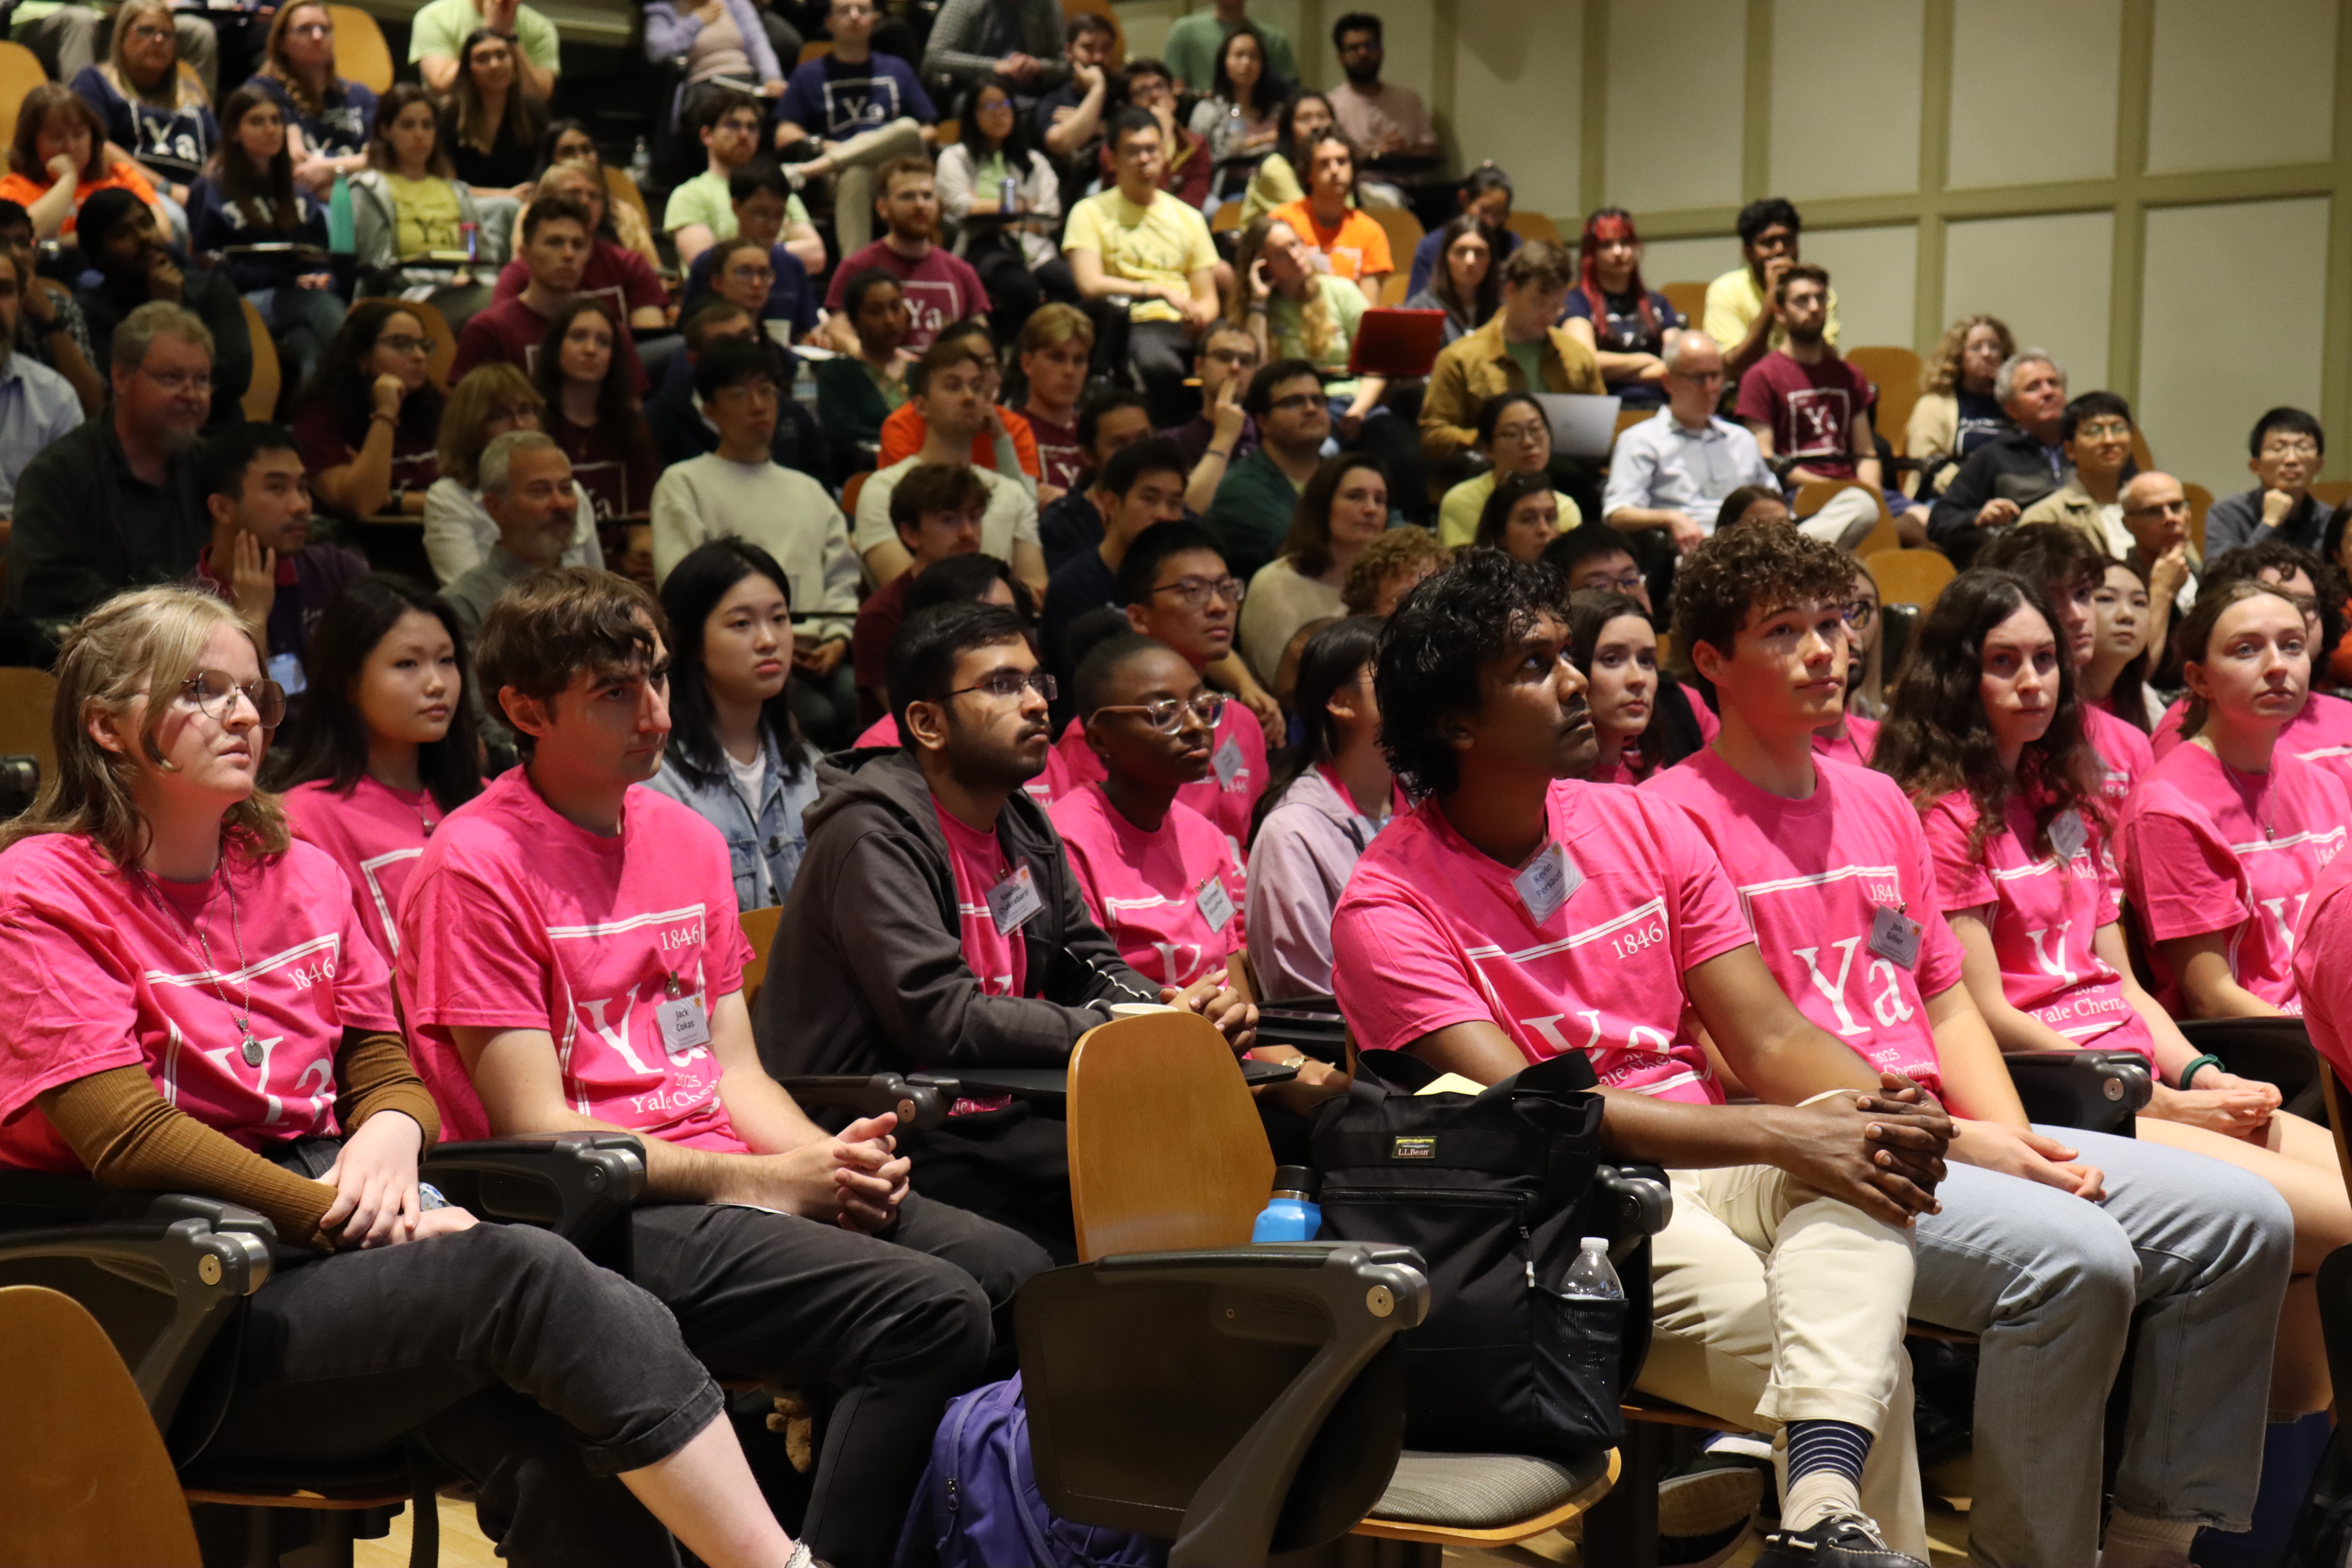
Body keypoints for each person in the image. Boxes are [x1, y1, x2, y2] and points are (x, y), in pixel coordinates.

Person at [0, 585, 822, 1568]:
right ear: (106, 724)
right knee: (527, 1273)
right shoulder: (38, 889)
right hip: (162, 1302)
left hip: (314, 1250)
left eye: (252, 691)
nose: (244, 714)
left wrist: (390, 1135)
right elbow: (123, 1137)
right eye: (200, 689)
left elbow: (381, 1060)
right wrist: (343, 1213)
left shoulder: (296, 869)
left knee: (562, 1431)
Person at [1645, 523, 2294, 1568]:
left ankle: (2150, 1542)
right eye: (1785, 632)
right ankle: (2031, 1554)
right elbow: (1742, 1050)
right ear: (1710, 662)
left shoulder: (1874, 799)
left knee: (2243, 1221)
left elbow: (1945, 1002)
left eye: (1836, 623)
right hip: (1824, 1152)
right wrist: (1964, 1143)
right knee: (2077, 1258)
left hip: (1948, 1126)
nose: (1825, 652)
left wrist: (2008, 1137)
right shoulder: (1666, 817)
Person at [396, 567, 1041, 1568]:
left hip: (724, 1177)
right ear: (526, 708)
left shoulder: (686, 840)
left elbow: (732, 1069)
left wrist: (832, 1158)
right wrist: (769, 1180)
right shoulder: (474, 862)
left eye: (655, 678)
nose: (653, 712)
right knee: (927, 1310)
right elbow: (537, 1130)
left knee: (1013, 1276)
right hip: (585, 1218)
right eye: (614, 691)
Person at [1333, 549, 1949, 1568]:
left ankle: (1813, 1516)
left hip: (1709, 1142)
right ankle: (1819, 1513)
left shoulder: (1641, 819)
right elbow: (1542, 1114)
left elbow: (1770, 1037)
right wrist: (1786, 1128)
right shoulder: (1387, 905)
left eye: (1566, 653)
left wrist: (1880, 1102)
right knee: (1854, 1357)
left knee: (1867, 1177)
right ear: (1456, 723)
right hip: (1571, 1203)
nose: (1578, 680)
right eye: (1535, 664)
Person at [1876, 567, 2349, 1421]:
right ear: (1957, 676)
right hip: (2074, 1093)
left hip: (2149, 1076)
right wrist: (2159, 1099)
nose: (2033, 681)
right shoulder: (1939, 814)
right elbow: (1984, 1011)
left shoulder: (2065, 796)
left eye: (2046, 660)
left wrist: (2203, 1073)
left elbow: (2123, 981)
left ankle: (2288, 1499)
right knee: (2337, 1222)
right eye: (2003, 662)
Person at [756, 599, 1258, 1251]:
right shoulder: (872, 834)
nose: (1036, 703)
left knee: (1206, 1143)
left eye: (1035, 682)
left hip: (987, 1106)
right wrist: (1129, 1027)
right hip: (886, 1129)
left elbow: (1085, 961)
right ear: (927, 722)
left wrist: (1173, 1011)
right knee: (1140, 1178)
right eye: (1001, 685)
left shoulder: (1021, 822)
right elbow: (945, 1018)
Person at [2121, 577, 2350, 1020]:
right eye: (2246, 650)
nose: (2277, 666)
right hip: (2269, 1049)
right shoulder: (2168, 809)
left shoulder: (2325, 785)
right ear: (2199, 679)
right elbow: (2211, 997)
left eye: (2293, 646)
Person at [650, 336, 859, 745]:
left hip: (817, 651)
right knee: (815, 716)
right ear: (710, 410)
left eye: (766, 392)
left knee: (859, 699)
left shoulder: (808, 490)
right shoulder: (685, 483)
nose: (759, 405)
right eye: (740, 395)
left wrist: (837, 639)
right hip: (734, 657)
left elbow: (841, 578)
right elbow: (686, 589)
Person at [270, 574, 483, 958]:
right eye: (408, 663)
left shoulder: (487, 800)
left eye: (447, 660)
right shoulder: (304, 818)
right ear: (347, 683)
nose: (437, 683)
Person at [1050, 625, 1257, 995]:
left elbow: (1232, 982)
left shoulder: (1206, 838)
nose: (1195, 726)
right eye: (1164, 712)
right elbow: (1081, 987)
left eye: (1200, 705)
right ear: (1099, 738)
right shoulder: (1066, 840)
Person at [1057, 520, 1269, 855]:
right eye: (1193, 591)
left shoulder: (1244, 723)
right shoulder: (1102, 731)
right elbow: (1082, 850)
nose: (1219, 606)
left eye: (1226, 588)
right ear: (1139, 618)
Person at [645, 538, 825, 911]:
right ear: (691, 643)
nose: (768, 640)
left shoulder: (809, 767)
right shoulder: (656, 780)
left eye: (779, 618)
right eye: (742, 623)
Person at [7, 301, 211, 628]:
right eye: (172, 378)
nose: (192, 394)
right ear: (121, 377)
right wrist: (156, 618)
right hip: (100, 660)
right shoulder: (57, 475)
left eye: (201, 380)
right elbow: (41, 588)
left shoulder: (214, 468)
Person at [1244, 617, 1399, 997]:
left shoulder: (1430, 794)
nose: (1420, 689)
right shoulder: (1291, 834)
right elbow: (1307, 1000)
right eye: (1394, 674)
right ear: (1340, 701)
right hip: (1348, 1048)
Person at [1733, 264, 1924, 549]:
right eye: (1802, 300)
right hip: (1801, 494)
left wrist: (1868, 489)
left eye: (1820, 298)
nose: (1814, 307)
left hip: (1854, 490)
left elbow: (1866, 452)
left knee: (1928, 520)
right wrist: (1835, 489)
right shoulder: (1761, 377)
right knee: (1866, 517)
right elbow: (1766, 457)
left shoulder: (1849, 375)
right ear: (1780, 313)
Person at [853, 334, 1047, 599]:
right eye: (954, 387)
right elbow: (906, 591)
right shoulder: (883, 490)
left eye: (978, 388)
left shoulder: (1010, 493)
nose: (970, 397)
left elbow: (1036, 591)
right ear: (921, 406)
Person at [1063, 106, 1220, 430]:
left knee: (1238, 358)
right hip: (1131, 322)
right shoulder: (1090, 211)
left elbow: (1208, 297)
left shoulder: (1188, 218)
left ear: (1164, 156)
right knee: (1158, 363)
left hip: (1185, 325)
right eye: (1133, 152)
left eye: (1152, 150)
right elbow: (1090, 284)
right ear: (1113, 159)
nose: (1144, 160)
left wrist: (1200, 318)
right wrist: (1158, 292)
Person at [1976, 524, 2156, 805]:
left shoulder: (2129, 743)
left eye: (2083, 594)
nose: (2077, 616)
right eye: (2051, 599)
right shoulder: (1995, 737)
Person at [189, 420, 368, 696]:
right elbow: (229, 717)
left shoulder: (339, 570)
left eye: (303, 488)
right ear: (222, 508)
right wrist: (253, 620)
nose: (300, 506)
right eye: (277, 488)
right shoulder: (187, 609)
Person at [187, 84, 342, 395]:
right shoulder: (211, 189)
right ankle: (364, 376)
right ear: (233, 133)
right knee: (320, 309)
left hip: (293, 297)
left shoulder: (297, 193)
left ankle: (305, 423)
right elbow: (207, 265)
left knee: (307, 342)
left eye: (276, 121)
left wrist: (323, 278)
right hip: (237, 300)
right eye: (257, 122)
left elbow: (322, 254)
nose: (270, 130)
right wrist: (285, 278)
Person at [70, 188, 252, 427]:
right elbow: (122, 395)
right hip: (139, 443)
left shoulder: (211, 288)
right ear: (98, 256)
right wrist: (165, 312)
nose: (144, 237)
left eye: (146, 224)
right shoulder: (89, 311)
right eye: (122, 234)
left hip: (215, 434)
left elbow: (235, 378)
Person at [1419, 240, 1603, 472]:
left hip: (1567, 475)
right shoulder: (1460, 359)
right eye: (1538, 304)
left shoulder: (1577, 356)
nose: (1549, 316)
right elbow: (1433, 436)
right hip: (1492, 477)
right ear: (1510, 292)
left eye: (1558, 307)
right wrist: (1495, 441)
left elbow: (1601, 431)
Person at [776, 0, 935, 259]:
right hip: (837, 176)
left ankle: (806, 171)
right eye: (844, 11)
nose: (854, 17)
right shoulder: (809, 74)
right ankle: (857, 275)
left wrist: (877, 144)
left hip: (895, 169)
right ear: (828, 23)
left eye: (863, 10)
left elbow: (928, 131)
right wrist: (834, 149)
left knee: (908, 127)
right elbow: (784, 134)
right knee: (856, 173)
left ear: (874, 19)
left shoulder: (897, 69)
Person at [1602, 329, 1776, 555]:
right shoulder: (1641, 441)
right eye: (1698, 378)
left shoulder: (1741, 439)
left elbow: (1774, 500)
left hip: (1752, 549)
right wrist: (1671, 517)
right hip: (1688, 553)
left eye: (1716, 376)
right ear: (1668, 381)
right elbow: (1617, 514)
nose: (1710, 388)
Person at [424, 362, 600, 584]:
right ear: (470, 426)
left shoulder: (570, 492)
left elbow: (598, 581)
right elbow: (468, 592)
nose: (518, 424)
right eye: (499, 416)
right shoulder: (449, 498)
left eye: (526, 411)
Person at [454, 194, 647, 392]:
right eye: (555, 243)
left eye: (578, 245)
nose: (569, 255)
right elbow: (465, 415)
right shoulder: (489, 331)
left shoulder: (608, 332)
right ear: (525, 254)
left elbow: (632, 412)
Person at [348, 84, 499, 326]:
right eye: (408, 125)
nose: (420, 135)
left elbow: (481, 257)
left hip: (462, 292)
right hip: (404, 299)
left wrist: (474, 279)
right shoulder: (369, 189)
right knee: (502, 303)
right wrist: (446, 281)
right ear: (386, 131)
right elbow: (378, 267)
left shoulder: (456, 191)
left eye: (427, 126)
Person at [1039, 439, 1187, 682]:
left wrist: (1245, 684)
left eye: (1174, 504)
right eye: (1149, 499)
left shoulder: (1179, 577)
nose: (1164, 514)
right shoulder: (1073, 587)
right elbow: (1099, 682)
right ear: (1111, 503)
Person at [1238, 452, 1387, 687]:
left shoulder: (1388, 580)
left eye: (1380, 500)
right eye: (1355, 497)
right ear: (1322, 505)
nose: (1371, 509)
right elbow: (1287, 692)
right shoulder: (1274, 583)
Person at [937, 82, 1071, 336]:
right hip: (982, 244)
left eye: (1005, 105)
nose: (999, 113)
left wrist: (994, 212)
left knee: (1074, 287)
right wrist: (1018, 208)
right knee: (1022, 288)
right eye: (989, 106)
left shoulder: (1034, 161)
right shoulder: (955, 158)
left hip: (1035, 248)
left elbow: (1051, 215)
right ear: (972, 114)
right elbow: (961, 206)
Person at [820, 157, 990, 357]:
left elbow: (981, 338)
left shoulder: (962, 272)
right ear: (883, 208)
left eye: (927, 196)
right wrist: (887, 362)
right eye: (908, 197)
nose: (920, 205)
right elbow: (837, 331)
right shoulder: (857, 268)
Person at [293, 300, 440, 522]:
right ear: (362, 357)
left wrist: (392, 499)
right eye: (401, 344)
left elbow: (479, 497)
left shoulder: (435, 406)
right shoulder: (320, 417)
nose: (419, 356)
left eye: (424, 345)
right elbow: (363, 502)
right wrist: (386, 414)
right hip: (367, 545)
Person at [854, 462, 989, 701]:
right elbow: (908, 714)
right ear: (911, 534)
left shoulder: (998, 597)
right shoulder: (882, 616)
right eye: (949, 520)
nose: (968, 532)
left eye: (975, 518)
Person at [68, 0, 216, 217]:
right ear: (121, 38)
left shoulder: (191, 92)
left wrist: (204, 191)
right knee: (172, 216)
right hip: (130, 193)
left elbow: (220, 152)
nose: (158, 40)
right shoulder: (96, 82)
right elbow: (98, 146)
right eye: (145, 31)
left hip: (192, 193)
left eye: (168, 35)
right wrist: (166, 188)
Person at [1924, 349, 2071, 566]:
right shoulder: (1993, 456)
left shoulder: (2091, 448)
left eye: (2053, 383)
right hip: (2026, 563)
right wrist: (1980, 516)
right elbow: (1939, 522)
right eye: (2034, 387)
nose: (2048, 392)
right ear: (2012, 409)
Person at [439, 430, 583, 639]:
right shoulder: (464, 605)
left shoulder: (595, 593)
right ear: (496, 507)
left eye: (566, 488)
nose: (561, 503)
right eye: (540, 491)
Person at [497, 161, 667, 335]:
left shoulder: (630, 264)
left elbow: (651, 339)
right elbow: (498, 334)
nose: (585, 201)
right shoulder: (519, 273)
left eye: (594, 196)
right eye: (574, 193)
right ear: (546, 201)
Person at [533, 297, 658, 521]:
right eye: (578, 337)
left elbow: (643, 519)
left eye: (603, 342)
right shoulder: (533, 426)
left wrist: (639, 546)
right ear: (556, 347)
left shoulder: (632, 428)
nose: (591, 350)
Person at [1204, 358, 1327, 582]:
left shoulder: (1343, 473)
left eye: (1318, 400)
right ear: (1263, 422)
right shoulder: (1240, 488)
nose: (1311, 409)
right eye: (1294, 402)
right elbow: (1301, 550)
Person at [877, 317, 1040, 482]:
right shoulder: (902, 426)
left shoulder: (1014, 429)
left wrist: (1001, 439)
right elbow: (905, 499)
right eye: (954, 384)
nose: (974, 374)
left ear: (1000, 375)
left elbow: (1025, 505)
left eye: (985, 364)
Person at [0, 83, 165, 241]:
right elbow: (24, 238)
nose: (70, 147)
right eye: (57, 138)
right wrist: (68, 179)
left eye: (79, 135)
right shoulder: (13, 189)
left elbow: (163, 233)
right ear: (31, 144)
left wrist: (67, 241)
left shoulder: (121, 176)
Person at [1702, 196, 1840, 384]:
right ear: (1749, 253)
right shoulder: (1726, 290)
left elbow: (1830, 362)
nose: (1780, 250)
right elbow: (1734, 366)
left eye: (1788, 240)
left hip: (1804, 394)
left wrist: (1806, 313)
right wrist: (1773, 297)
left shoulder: (1817, 294)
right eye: (1768, 243)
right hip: (1740, 402)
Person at [250, 0, 378, 195]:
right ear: (282, 42)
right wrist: (355, 166)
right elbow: (295, 167)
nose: (317, 37)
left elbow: (384, 157)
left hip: (358, 195)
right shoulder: (263, 92)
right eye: (304, 29)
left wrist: (331, 170)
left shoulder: (361, 96)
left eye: (325, 29)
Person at [678, 165, 821, 335]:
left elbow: (807, 329)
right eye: (761, 214)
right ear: (736, 206)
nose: (771, 225)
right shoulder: (709, 262)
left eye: (779, 215)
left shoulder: (792, 265)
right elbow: (689, 333)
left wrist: (812, 338)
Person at [1561, 207, 1681, 406]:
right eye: (1607, 245)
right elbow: (1587, 363)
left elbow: (1678, 366)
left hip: (1661, 409)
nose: (1618, 253)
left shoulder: (1659, 303)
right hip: (1602, 409)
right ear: (1591, 254)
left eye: (1625, 243)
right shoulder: (1576, 301)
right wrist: (1647, 361)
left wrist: (1615, 370)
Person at [0, 197, 109, 416]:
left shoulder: (58, 304)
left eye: (23, 243)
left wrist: (49, 318)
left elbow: (94, 407)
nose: (18, 254)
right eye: (2, 243)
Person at [0, 251, 85, 521]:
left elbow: (73, 510)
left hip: (29, 556)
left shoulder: (53, 397)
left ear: (21, 304)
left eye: (5, 291)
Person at [1436, 390, 1580, 548]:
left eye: (1536, 430)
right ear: (1487, 449)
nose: (1528, 442)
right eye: (1512, 434)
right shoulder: (1463, 501)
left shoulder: (1565, 508)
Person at [640, 0, 783, 153]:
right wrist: (697, 21)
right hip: (704, 84)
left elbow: (758, 42)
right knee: (727, 113)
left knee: (772, 110)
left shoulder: (734, 3)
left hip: (745, 80)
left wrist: (772, 77)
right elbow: (656, 50)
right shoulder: (665, 9)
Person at [1268, 132, 1391, 307]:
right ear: (1308, 173)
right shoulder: (1283, 221)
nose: (1335, 170)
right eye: (1324, 164)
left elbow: (1367, 311)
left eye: (1342, 162)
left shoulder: (1371, 232)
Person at [528, 119, 667, 272]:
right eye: (568, 152)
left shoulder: (624, 215)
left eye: (587, 150)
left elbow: (654, 272)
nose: (581, 158)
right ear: (551, 162)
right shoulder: (531, 215)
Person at [1039, 384, 1154, 568]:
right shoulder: (1064, 522)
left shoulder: (1174, 510)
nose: (1137, 453)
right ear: (1088, 456)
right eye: (1119, 445)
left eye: (1144, 439)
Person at [1568, 588, 1674, 786]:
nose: (1639, 679)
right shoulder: (1540, 792)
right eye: (1612, 659)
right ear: (1572, 667)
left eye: (1646, 661)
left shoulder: (1662, 787)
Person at [812, 270, 912, 474]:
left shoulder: (924, 372)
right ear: (855, 321)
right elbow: (842, 431)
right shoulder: (838, 372)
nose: (890, 320)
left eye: (896, 308)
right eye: (876, 312)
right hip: (865, 473)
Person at [661, 92, 774, 270]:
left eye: (752, 128)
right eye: (732, 125)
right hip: (715, 297)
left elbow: (816, 256)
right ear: (707, 135)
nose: (744, 135)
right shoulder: (689, 195)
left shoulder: (775, 192)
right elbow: (706, 264)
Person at [1906, 314, 2014, 497]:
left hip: (2009, 494)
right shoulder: (1935, 404)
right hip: (1949, 496)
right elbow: (1926, 462)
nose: (1987, 354)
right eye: (1976, 348)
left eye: (1994, 347)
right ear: (1958, 357)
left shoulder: (2015, 405)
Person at [2205, 407, 2332, 558]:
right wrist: (2269, 524)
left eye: (2303, 448)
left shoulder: (2330, 521)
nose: (2291, 459)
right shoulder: (2227, 514)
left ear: (2319, 465)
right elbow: (2219, 578)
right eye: (2278, 449)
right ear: (2255, 466)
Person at [2019, 390, 2136, 550]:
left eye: (2118, 429)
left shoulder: (2153, 506)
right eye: (2094, 431)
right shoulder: (2047, 516)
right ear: (2070, 450)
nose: (2110, 440)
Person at [1095, 58, 1212, 210]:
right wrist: (1162, 137)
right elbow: (1133, 199)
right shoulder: (1115, 149)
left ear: (1173, 96)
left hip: (1179, 221)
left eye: (1161, 86)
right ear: (1127, 106)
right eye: (1142, 91)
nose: (1155, 96)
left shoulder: (1196, 144)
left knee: (1212, 207)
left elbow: (1193, 205)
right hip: (1128, 217)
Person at [1186, 23, 1285, 203]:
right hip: (1225, 188)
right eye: (1239, 55)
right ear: (1225, 62)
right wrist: (1263, 140)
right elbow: (1199, 158)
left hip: (1274, 187)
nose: (1247, 63)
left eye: (1254, 57)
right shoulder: (1208, 109)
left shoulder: (1276, 111)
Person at [1164, 321, 1260, 505]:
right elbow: (1183, 512)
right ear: (1199, 366)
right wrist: (1224, 437)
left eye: (1246, 361)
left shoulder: (1270, 438)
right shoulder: (1170, 445)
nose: (1235, 368)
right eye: (1224, 357)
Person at [443, 27, 543, 201]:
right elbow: (444, 184)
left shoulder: (534, 115)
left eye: (502, 55)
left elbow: (541, 180)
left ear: (515, 66)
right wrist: (505, 197)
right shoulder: (449, 116)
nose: (495, 65)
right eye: (482, 59)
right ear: (469, 72)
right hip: (462, 211)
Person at [1325, 13, 1438, 164]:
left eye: (1370, 46)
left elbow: (1430, 149)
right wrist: (1374, 153)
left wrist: (1400, 152)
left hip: (1405, 185)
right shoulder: (1330, 105)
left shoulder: (1409, 100)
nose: (1363, 54)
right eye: (1354, 48)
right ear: (1341, 57)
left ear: (1382, 51)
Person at [1032, 11, 1115, 207]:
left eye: (1106, 49)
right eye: (1088, 48)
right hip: (1072, 197)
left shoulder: (1122, 96)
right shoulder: (1053, 101)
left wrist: (1096, 127)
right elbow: (1060, 142)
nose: (1098, 58)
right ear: (1070, 52)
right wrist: (1098, 88)